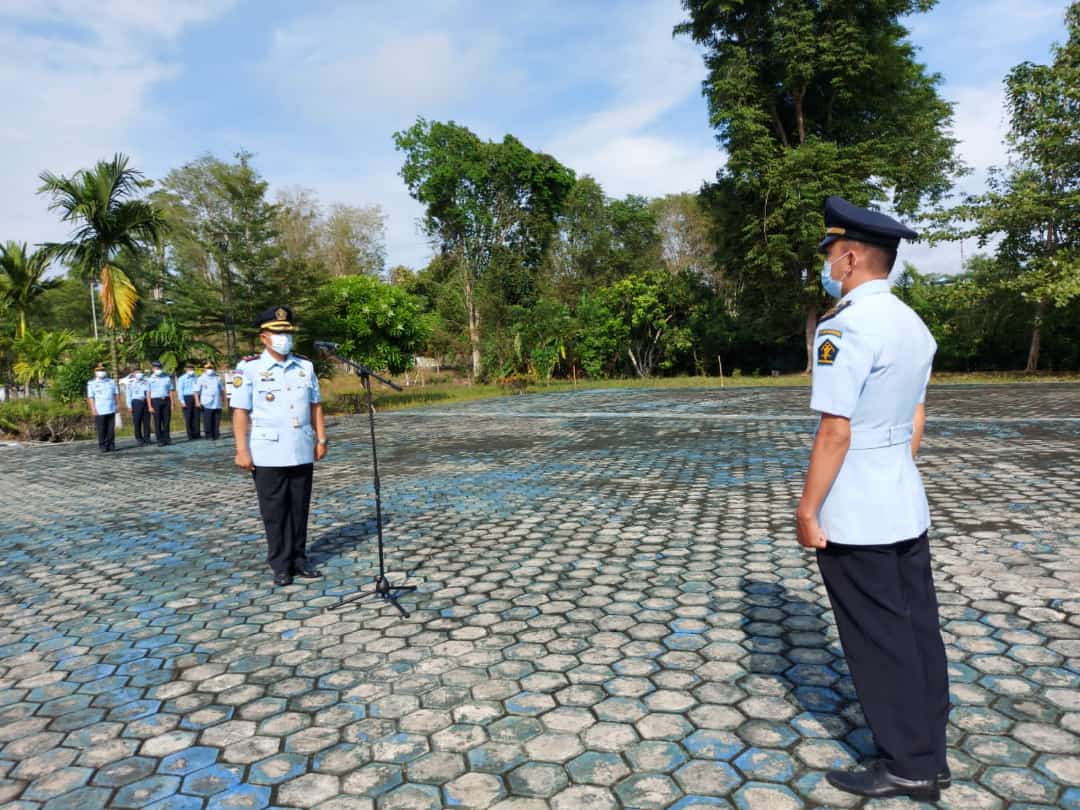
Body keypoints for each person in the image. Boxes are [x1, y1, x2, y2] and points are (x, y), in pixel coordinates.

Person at [796, 196, 947, 802]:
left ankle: (906, 764)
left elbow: (836, 429)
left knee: (877, 639)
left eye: (832, 255)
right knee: (917, 628)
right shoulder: (913, 325)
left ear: (853, 256)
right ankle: (929, 753)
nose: (830, 266)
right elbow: (916, 414)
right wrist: (895, 473)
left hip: (856, 507)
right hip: (902, 499)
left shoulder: (845, 326)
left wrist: (808, 510)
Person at [231, 306, 328, 586]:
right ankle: (280, 564)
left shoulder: (305, 366)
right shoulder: (249, 368)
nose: (283, 337)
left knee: (300, 507)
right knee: (275, 512)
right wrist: (241, 449)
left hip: (301, 447)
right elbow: (239, 411)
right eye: (277, 333)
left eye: (287, 332)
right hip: (267, 452)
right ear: (263, 337)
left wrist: (321, 439)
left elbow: (315, 405)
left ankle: (299, 558)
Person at [86, 364, 118, 452]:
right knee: (101, 429)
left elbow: (115, 394)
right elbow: (91, 397)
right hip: (99, 410)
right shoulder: (92, 383)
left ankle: (111, 444)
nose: (101, 372)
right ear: (95, 373)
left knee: (111, 429)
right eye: (99, 371)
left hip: (111, 408)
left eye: (103, 370)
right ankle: (102, 445)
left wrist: (116, 405)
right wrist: (93, 409)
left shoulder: (111, 382)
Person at [147, 360, 175, 446]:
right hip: (155, 401)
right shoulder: (150, 379)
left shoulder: (167, 377)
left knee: (166, 421)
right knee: (157, 421)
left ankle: (167, 438)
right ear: (152, 369)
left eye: (159, 368)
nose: (157, 369)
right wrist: (149, 406)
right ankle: (160, 439)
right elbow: (148, 393)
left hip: (166, 400)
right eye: (155, 368)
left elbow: (170, 391)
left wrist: (172, 402)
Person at [195, 361, 224, 440]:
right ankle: (209, 435)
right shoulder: (201, 378)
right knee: (207, 420)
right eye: (208, 368)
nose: (209, 369)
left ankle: (216, 434)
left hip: (217, 402)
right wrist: (197, 402)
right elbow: (196, 391)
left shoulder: (217, 378)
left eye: (211, 368)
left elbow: (221, 390)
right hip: (206, 402)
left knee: (216, 419)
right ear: (204, 369)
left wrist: (223, 399)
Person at [127, 368, 151, 446]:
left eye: (140, 372)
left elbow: (148, 392)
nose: (139, 374)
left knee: (146, 421)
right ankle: (139, 438)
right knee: (137, 421)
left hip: (145, 402)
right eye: (137, 372)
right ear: (133, 374)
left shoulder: (146, 381)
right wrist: (129, 406)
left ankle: (147, 438)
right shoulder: (131, 383)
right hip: (136, 402)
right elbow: (128, 395)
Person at [178, 362, 201, 440]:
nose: (190, 370)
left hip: (196, 397)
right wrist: (182, 401)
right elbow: (180, 390)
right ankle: (190, 435)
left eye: (192, 368)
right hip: (187, 398)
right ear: (185, 369)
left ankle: (197, 433)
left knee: (197, 416)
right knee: (188, 417)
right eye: (189, 369)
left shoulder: (196, 377)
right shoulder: (182, 378)